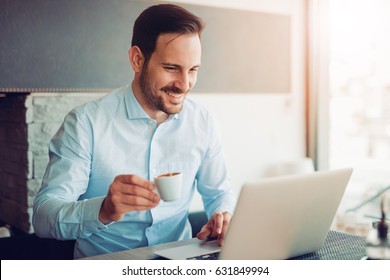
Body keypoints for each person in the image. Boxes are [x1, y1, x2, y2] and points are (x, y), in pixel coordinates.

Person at [33, 3, 236, 259]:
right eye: (171, 68)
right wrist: (103, 210)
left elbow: (219, 193)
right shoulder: (85, 124)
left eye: (193, 70)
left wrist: (223, 216)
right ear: (137, 59)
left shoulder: (202, 121)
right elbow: (42, 217)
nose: (184, 84)